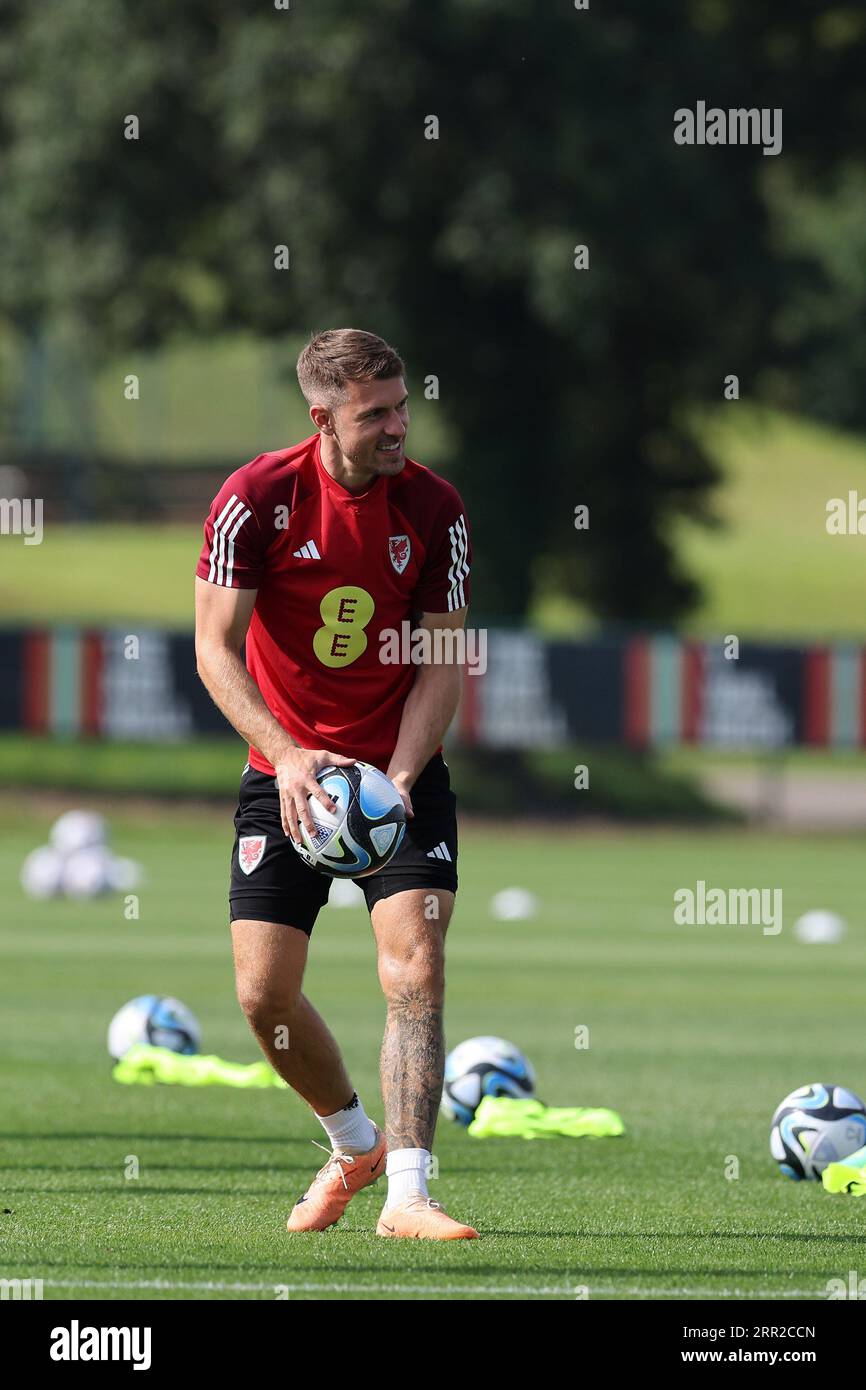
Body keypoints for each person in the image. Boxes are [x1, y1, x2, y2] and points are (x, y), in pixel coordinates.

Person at [194, 328, 477, 1239]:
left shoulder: (436, 509)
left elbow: (441, 660)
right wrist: (288, 755)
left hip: (402, 771)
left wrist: (397, 777)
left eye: (402, 405)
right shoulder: (255, 499)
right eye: (376, 414)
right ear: (322, 418)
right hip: (288, 774)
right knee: (262, 996)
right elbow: (214, 650)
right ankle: (352, 1143)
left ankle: (409, 1194)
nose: (399, 426)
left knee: (417, 970)